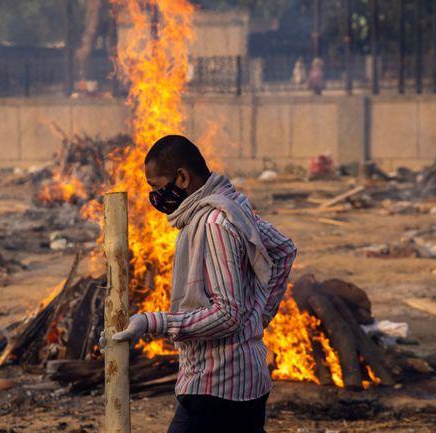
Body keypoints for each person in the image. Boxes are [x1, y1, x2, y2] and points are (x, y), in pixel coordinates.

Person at [109, 135, 297, 433]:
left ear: (182, 177)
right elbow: (284, 249)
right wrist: (259, 314)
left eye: (157, 187)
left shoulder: (211, 223)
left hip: (217, 385)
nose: (156, 197)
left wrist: (150, 322)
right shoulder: (232, 205)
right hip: (248, 379)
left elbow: (227, 314)